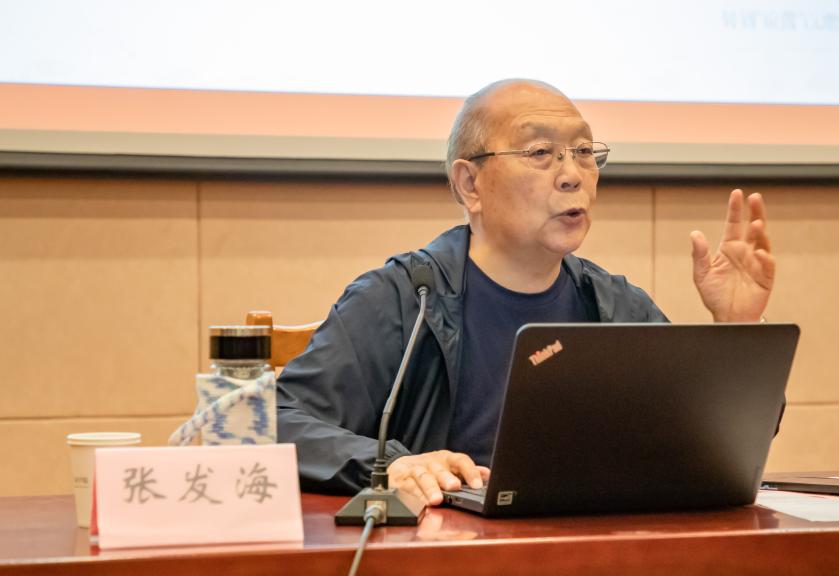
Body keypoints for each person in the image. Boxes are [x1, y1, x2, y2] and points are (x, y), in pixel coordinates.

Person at [276, 79, 774, 506]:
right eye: (539, 154)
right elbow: (275, 422)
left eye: (584, 152)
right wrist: (390, 464)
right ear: (470, 184)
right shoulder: (403, 299)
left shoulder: (617, 306)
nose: (572, 175)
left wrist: (739, 332)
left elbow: (712, 447)